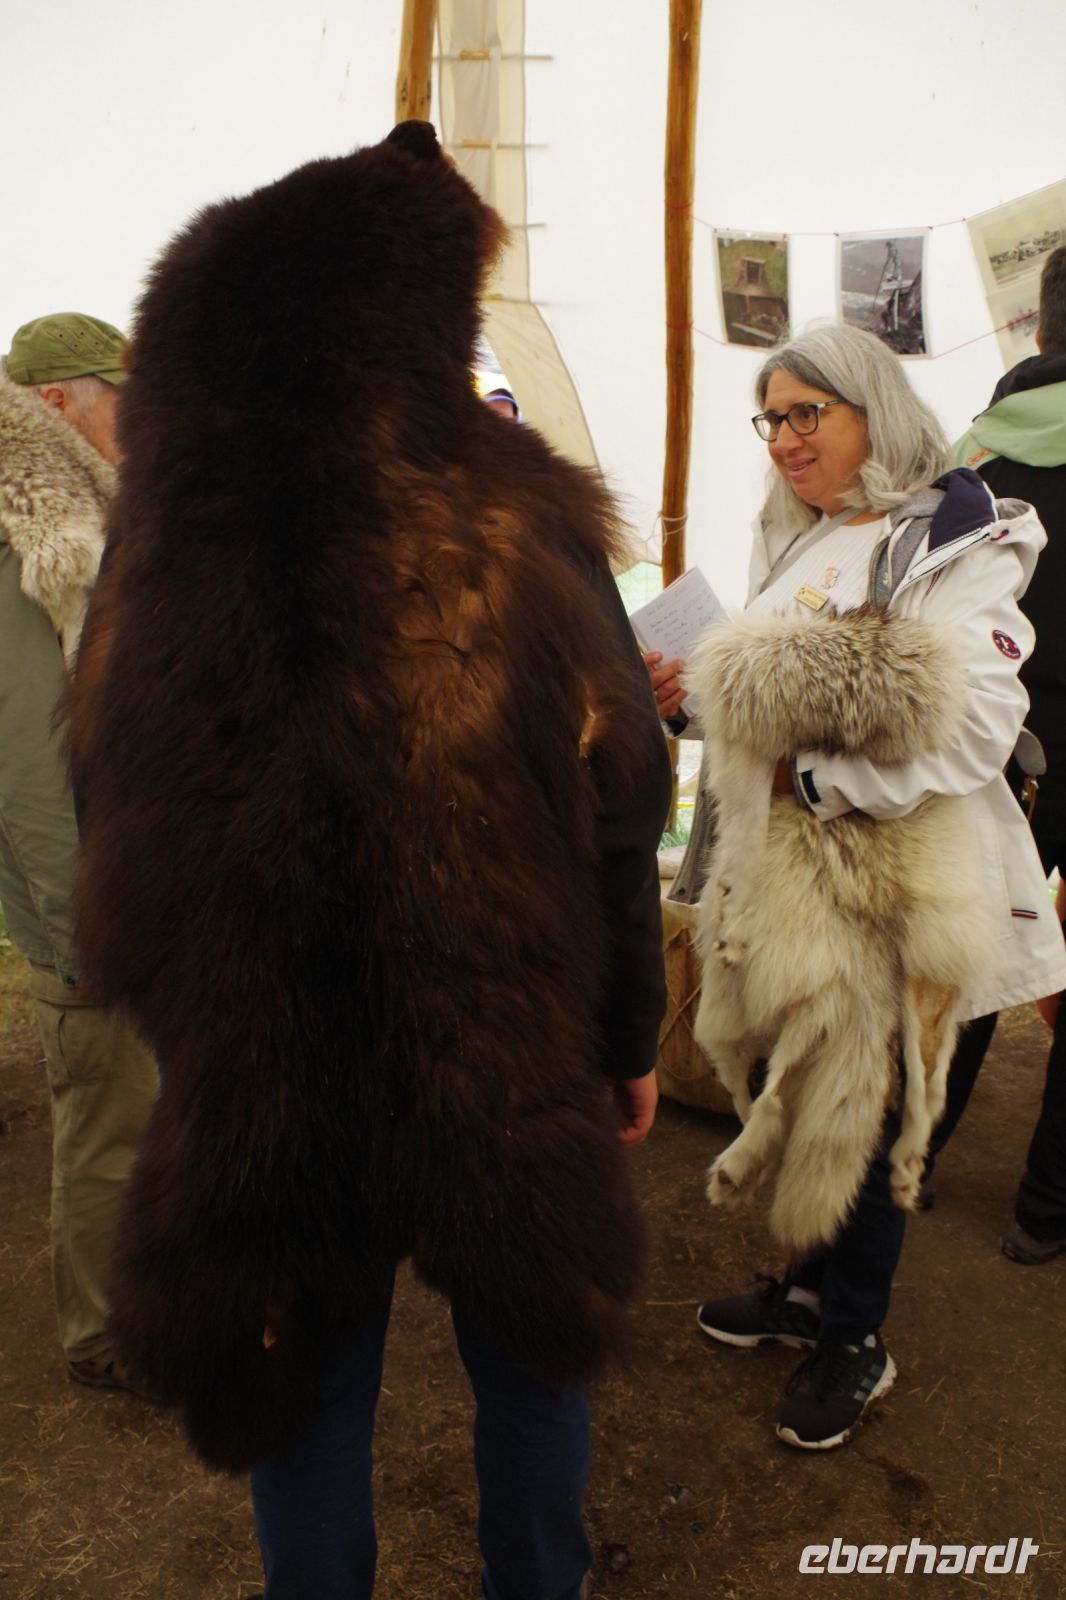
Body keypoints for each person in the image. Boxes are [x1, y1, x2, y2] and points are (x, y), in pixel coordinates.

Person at [63, 121, 670, 1600]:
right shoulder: (514, 510)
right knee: (529, 1354)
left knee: (301, 1373)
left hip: (268, 1068)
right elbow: (622, 791)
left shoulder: (164, 535)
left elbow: (104, 791)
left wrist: (189, 1018)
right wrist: (628, 1032)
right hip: (495, 1048)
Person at [692, 323, 1065, 1451]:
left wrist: (817, 779)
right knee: (796, 1082)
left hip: (886, 886)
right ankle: (803, 1293)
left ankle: (855, 1335)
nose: (787, 438)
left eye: (810, 410)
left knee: (873, 1104)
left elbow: (982, 728)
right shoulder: (807, 535)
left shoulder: (957, 532)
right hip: (785, 884)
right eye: (772, 418)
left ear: (870, 403)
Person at [0, 313, 158, 1392]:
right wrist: (73, 927)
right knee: (105, 1119)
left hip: (121, 886)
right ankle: (104, 1337)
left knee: (137, 1106)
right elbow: (27, 765)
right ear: (56, 403)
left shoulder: (81, 516)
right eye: (119, 394)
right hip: (84, 910)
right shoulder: (31, 538)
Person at [929, 245, 1066, 1265]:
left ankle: (915, 1152)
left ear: (1035, 331)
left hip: (1001, 749)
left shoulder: (977, 453)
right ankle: (1046, 1206)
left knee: (969, 947)